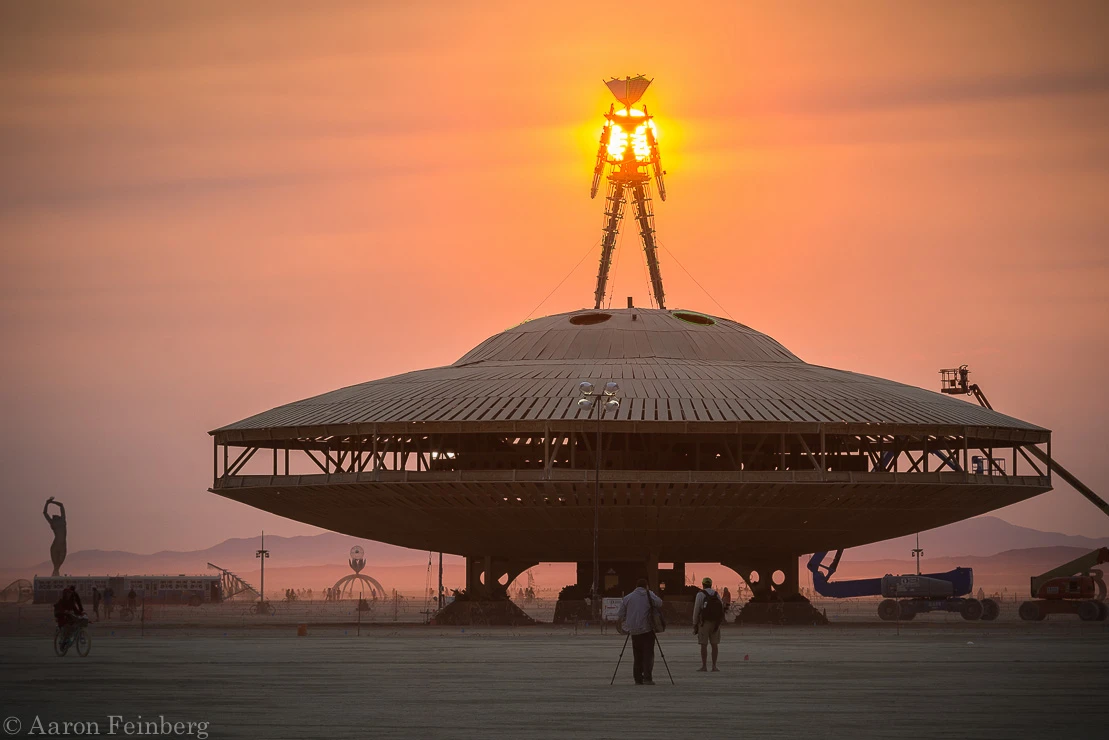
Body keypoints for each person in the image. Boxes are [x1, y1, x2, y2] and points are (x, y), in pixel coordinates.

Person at [616, 578, 664, 685]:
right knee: (648, 654)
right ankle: (647, 678)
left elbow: (620, 614)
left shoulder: (628, 597)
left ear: (636, 586)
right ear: (646, 586)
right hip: (647, 629)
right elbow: (660, 603)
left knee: (637, 655)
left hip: (633, 630)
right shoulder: (649, 594)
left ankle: (637, 678)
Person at [692, 576, 724, 672]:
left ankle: (704, 666)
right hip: (715, 623)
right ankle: (714, 666)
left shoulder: (700, 594)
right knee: (714, 644)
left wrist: (695, 623)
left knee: (703, 644)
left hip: (704, 623)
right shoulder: (716, 594)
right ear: (711, 584)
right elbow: (721, 608)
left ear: (703, 585)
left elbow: (696, 609)